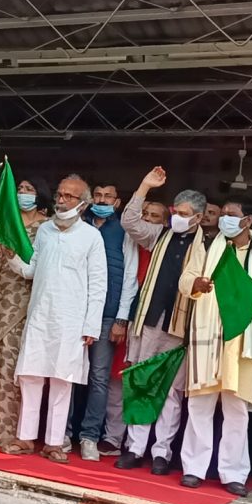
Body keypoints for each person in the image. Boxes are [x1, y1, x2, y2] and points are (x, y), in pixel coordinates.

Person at [0, 175, 107, 464]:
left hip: (71, 321)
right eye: (59, 195)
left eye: (68, 197)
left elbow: (98, 284)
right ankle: (24, 438)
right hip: (40, 314)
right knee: (31, 376)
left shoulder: (91, 237)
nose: (61, 200)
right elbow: (32, 269)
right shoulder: (46, 230)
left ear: (82, 204)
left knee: (62, 381)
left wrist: (91, 327)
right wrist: (11, 257)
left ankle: (54, 443)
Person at [178, 198, 252, 496]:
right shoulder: (208, 245)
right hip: (208, 336)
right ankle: (194, 469)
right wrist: (195, 284)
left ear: (247, 220)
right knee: (200, 405)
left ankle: (233, 473)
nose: (224, 219)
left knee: (237, 410)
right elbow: (186, 278)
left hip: (245, 342)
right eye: (222, 214)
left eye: (231, 215)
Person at [114, 167, 205, 475]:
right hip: (149, 320)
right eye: (175, 211)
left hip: (180, 329)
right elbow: (128, 221)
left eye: (185, 213)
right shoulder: (159, 235)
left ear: (199, 218)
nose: (178, 216)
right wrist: (144, 185)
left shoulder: (207, 246)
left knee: (169, 391)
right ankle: (135, 448)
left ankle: (161, 453)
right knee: (141, 382)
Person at [0, 177, 52, 448]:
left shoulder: (46, 229)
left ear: (41, 194)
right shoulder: (6, 223)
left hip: (23, 300)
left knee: (10, 361)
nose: (23, 193)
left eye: (29, 189)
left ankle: (7, 429)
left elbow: (37, 267)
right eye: (20, 189)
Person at [74, 182, 139, 461]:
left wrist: (121, 318)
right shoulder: (77, 223)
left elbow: (130, 277)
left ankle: (89, 436)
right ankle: (63, 433)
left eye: (107, 196)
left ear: (118, 202)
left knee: (99, 377)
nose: (101, 200)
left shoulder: (124, 231)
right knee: (67, 373)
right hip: (74, 311)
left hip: (107, 314)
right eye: (97, 196)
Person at [101, 200, 170, 456]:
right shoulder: (130, 240)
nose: (148, 220)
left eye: (155, 216)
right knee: (118, 379)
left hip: (154, 323)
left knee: (146, 382)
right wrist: (121, 319)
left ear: (165, 224)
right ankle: (113, 437)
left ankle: (139, 445)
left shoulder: (166, 244)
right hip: (127, 317)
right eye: (145, 214)